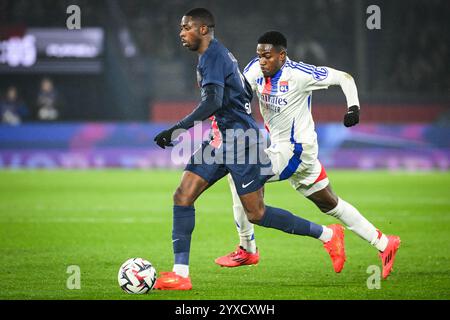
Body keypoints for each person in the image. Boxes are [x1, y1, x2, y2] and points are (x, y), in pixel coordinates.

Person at [152, 9, 346, 291]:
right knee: (183, 195)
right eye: (181, 28)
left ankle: (328, 235)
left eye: (186, 28)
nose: (181, 33)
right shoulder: (215, 56)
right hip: (221, 140)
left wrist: (178, 128)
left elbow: (213, 101)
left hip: (242, 144)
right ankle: (181, 274)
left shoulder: (213, 58)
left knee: (256, 213)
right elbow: (241, 91)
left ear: (203, 29)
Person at [215, 31, 401, 279]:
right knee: (330, 204)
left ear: (282, 56)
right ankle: (384, 243)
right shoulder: (255, 69)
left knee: (238, 172)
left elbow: (345, 78)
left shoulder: (300, 74)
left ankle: (248, 248)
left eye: (268, 56)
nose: (262, 61)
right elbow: (239, 93)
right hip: (283, 150)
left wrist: (353, 107)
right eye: (259, 55)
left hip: (296, 150)